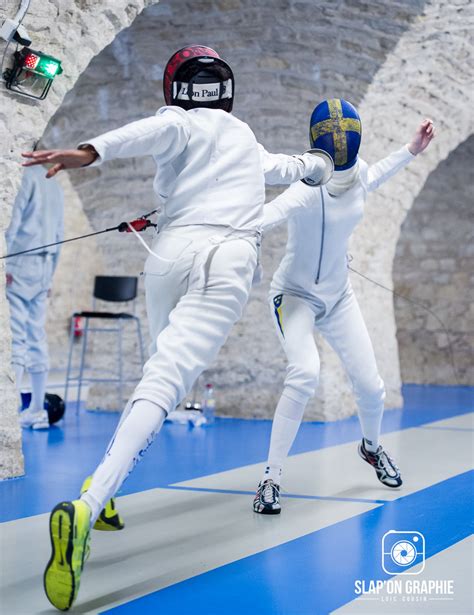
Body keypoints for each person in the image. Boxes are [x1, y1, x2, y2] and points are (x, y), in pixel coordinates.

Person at [22, 45, 332, 611]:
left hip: (167, 256)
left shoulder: (179, 124)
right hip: (225, 260)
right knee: (164, 386)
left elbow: (141, 134)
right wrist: (323, 162)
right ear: (225, 89)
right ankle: (88, 507)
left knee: (154, 377)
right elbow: (296, 168)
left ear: (177, 89)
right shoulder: (242, 137)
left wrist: (90, 153)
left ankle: (108, 495)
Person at [253, 99, 434, 515]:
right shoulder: (304, 189)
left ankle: (371, 448)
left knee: (372, 387)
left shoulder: (360, 175)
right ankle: (270, 478)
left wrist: (412, 149)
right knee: (305, 374)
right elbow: (267, 214)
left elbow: (381, 171)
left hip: (338, 298)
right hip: (294, 297)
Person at [5, 164, 64, 430]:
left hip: (20, 263)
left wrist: (3, 264)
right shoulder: (53, 180)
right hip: (44, 266)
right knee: (36, 336)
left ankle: (7, 412)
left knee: (16, 339)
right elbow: (60, 233)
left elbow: (13, 221)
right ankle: (38, 410)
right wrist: (50, 273)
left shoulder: (24, 175)